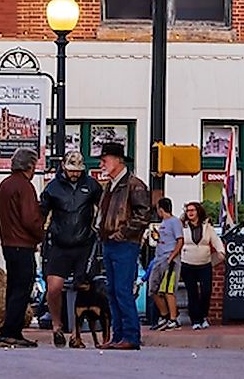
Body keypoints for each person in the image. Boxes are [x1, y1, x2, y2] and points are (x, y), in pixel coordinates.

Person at [94, 141, 155, 350]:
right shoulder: (111, 185)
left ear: (117, 160)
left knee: (122, 290)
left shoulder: (134, 185)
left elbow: (143, 214)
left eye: (104, 160)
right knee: (113, 290)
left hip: (125, 244)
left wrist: (122, 233)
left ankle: (130, 336)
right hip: (110, 242)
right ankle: (119, 335)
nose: (101, 164)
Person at [39, 151, 100, 347]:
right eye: (71, 170)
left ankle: (76, 333)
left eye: (78, 171)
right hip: (59, 242)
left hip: (84, 242)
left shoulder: (91, 185)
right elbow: (42, 212)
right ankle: (57, 325)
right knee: (54, 287)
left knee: (81, 288)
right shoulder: (53, 188)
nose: (75, 174)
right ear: (64, 167)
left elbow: (104, 208)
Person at [0, 146, 46, 348]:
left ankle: (8, 330)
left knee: (14, 287)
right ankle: (11, 331)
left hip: (8, 243)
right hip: (22, 244)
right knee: (22, 289)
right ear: (29, 166)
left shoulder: (4, 185)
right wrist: (40, 234)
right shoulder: (24, 187)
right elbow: (30, 218)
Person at [174, 200, 225, 329]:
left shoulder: (207, 227)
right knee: (192, 293)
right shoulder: (182, 227)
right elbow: (177, 242)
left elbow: (216, 241)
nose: (190, 213)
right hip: (188, 263)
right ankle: (195, 320)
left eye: (192, 210)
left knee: (206, 291)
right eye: (188, 210)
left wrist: (221, 252)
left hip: (205, 263)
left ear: (198, 212)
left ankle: (203, 316)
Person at [145, 198, 178, 331]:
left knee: (168, 290)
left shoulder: (174, 222)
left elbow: (180, 240)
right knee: (153, 289)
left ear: (160, 209)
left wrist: (172, 256)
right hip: (158, 258)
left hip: (169, 259)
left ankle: (173, 319)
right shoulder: (163, 223)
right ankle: (164, 316)